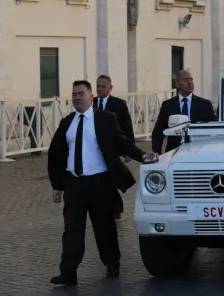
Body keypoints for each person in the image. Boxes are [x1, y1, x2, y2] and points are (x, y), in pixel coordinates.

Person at [47, 80, 157, 286]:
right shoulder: (67, 123)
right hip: (75, 185)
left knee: (104, 228)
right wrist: (57, 185)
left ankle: (112, 262)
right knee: (72, 229)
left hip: (100, 184)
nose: (77, 97)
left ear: (91, 97)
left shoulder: (105, 119)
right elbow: (56, 154)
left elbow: (121, 141)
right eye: (74, 94)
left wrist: (143, 156)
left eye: (81, 93)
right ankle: (68, 272)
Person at [93, 74, 135, 220]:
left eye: (103, 86)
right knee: (100, 180)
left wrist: (128, 150)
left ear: (110, 88)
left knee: (111, 179)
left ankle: (116, 208)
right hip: (94, 149)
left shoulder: (119, 104)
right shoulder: (90, 103)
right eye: (97, 86)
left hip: (112, 148)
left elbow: (127, 127)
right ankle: (102, 207)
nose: (99, 89)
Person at [152, 70, 216, 154]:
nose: (190, 83)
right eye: (186, 80)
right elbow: (158, 132)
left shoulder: (204, 104)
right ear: (177, 84)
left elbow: (213, 127)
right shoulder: (168, 105)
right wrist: (157, 154)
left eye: (191, 79)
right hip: (173, 151)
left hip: (198, 150)